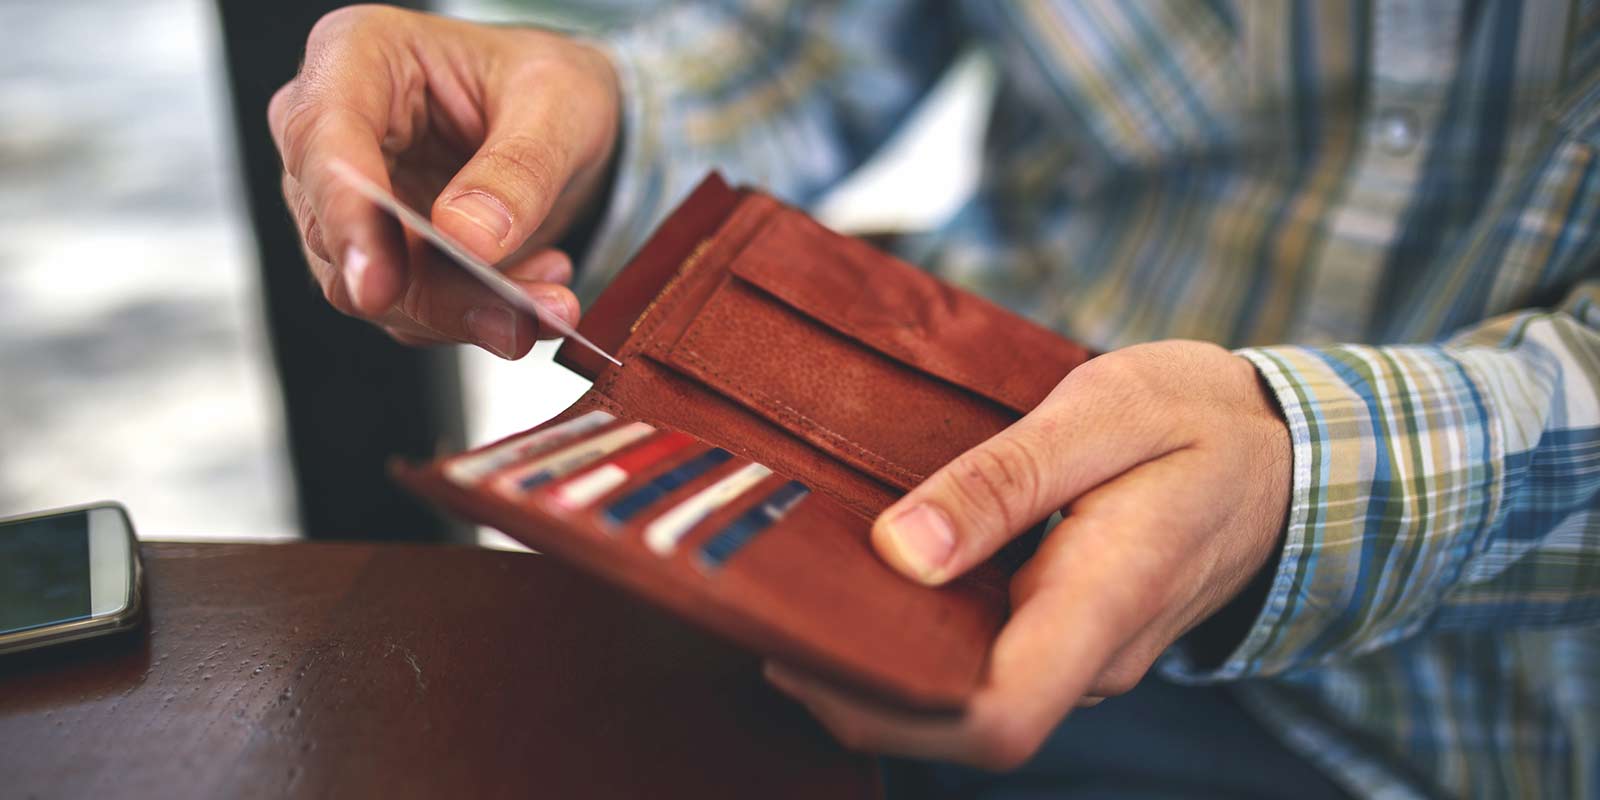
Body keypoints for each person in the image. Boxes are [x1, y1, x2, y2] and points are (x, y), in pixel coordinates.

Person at [267, 3, 1600, 797]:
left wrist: (1303, 476)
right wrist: (594, 122)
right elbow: (802, 48)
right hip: (908, 484)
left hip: (1460, 725)